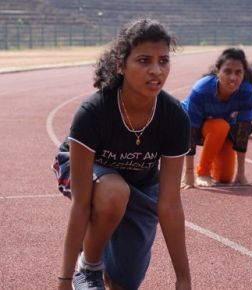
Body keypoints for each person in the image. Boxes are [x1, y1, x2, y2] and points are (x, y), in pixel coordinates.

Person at [51, 19, 191, 290]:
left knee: (123, 283)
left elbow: (170, 204)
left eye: (163, 61)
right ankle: (89, 266)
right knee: (114, 193)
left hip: (140, 185)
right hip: (87, 172)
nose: (156, 70)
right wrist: (65, 280)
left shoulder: (174, 117)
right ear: (120, 65)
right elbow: (80, 204)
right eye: (144, 60)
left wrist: (183, 280)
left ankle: (104, 264)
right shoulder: (94, 112)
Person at [181, 48, 252, 188]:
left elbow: (242, 132)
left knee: (224, 178)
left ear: (244, 73)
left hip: (223, 132)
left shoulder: (247, 91)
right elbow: (190, 130)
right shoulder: (201, 90)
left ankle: (214, 166)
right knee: (219, 125)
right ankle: (203, 172)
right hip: (190, 127)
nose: (233, 77)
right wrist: (189, 173)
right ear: (218, 71)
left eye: (238, 72)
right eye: (227, 71)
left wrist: (241, 174)